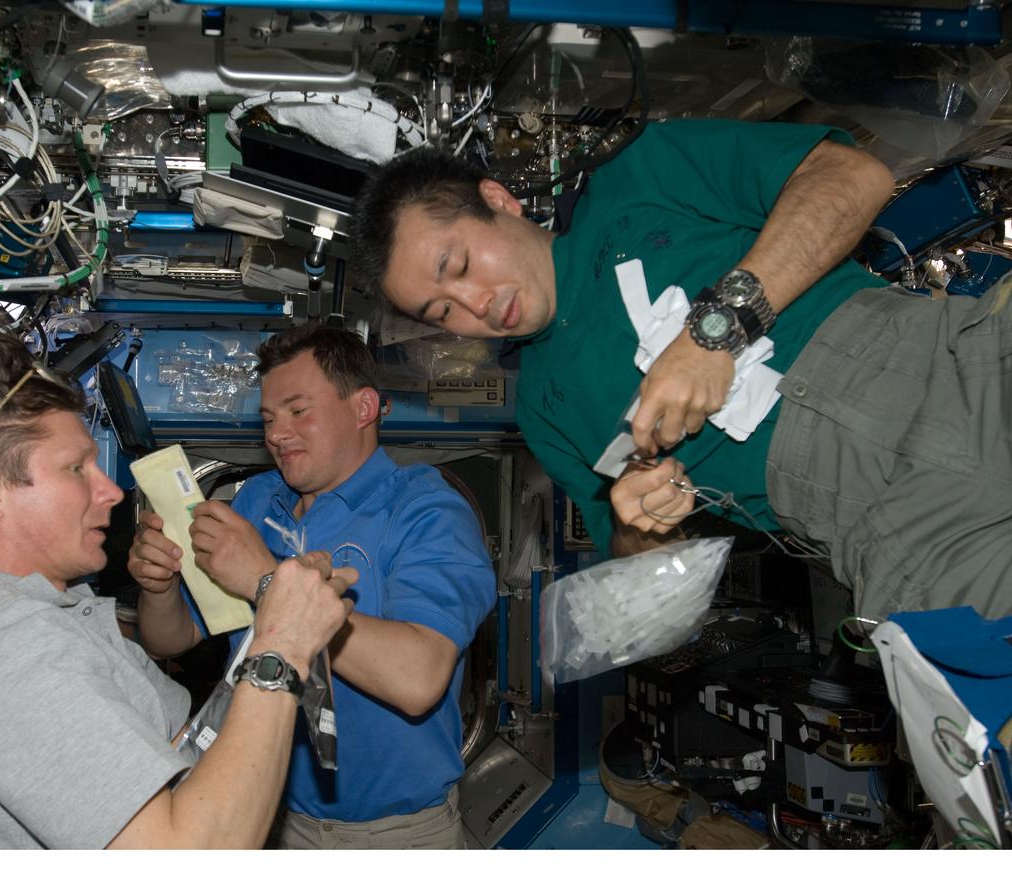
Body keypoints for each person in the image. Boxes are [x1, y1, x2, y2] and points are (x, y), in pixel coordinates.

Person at [350, 117, 1012, 622]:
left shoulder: (639, 177)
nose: (475, 305)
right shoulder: (545, 414)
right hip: (905, 535)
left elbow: (853, 178)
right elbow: (642, 570)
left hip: (962, 372)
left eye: (459, 266)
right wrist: (642, 528)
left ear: (498, 200)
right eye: (443, 310)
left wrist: (718, 328)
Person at [0, 331, 354, 849]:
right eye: (75, 468)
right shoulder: (0, 653)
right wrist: (280, 648)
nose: (108, 491)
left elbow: (180, 753)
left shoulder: (53, 610)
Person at [130, 324, 496, 848]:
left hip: (396, 836)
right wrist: (159, 584)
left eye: (299, 411)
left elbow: (419, 679)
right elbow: (172, 639)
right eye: (269, 419)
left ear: (364, 408)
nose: (277, 433)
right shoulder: (256, 502)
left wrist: (264, 581)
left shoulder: (426, 512)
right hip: (275, 819)